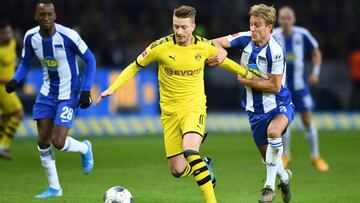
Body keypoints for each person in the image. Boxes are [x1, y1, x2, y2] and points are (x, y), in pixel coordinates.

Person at [96, 5, 257, 203]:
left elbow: (228, 64)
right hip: (170, 114)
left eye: (183, 27)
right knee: (178, 170)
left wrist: (252, 75)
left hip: (194, 108)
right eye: (175, 27)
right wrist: (114, 87)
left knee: (190, 150)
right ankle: (204, 167)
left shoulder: (205, 47)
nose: (179, 32)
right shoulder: (160, 47)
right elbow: (134, 66)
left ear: (193, 26)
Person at [5, 0, 96, 198]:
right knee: (43, 140)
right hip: (47, 92)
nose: (46, 18)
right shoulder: (31, 37)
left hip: (69, 93)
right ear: (35, 16)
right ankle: (55, 187)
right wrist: (15, 80)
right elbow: (25, 62)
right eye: (42, 14)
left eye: (49, 14)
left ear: (55, 16)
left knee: (58, 141)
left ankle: (84, 148)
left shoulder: (68, 35)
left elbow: (90, 59)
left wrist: (86, 90)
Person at [208, 4, 293, 203]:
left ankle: (268, 188)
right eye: (251, 24)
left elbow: (274, 86)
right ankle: (285, 177)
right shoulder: (245, 38)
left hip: (279, 104)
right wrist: (220, 52)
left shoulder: (275, 51)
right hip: (255, 109)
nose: (253, 29)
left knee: (274, 133)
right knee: (269, 158)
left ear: (269, 27)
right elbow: (212, 42)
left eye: (258, 25)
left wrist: (246, 80)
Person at [272, 6, 329, 171]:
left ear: (294, 19)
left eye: (289, 17)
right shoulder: (273, 36)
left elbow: (316, 52)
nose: (286, 21)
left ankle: (315, 157)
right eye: (283, 18)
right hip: (281, 87)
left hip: (300, 86)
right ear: (279, 20)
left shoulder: (302, 34)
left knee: (307, 119)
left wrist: (316, 72)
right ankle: (285, 156)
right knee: (283, 121)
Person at [0, 20, 25, 160]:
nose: (8, 36)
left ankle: (1, 145)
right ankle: (3, 146)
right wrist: (5, 79)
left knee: (6, 117)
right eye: (5, 33)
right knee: (19, 113)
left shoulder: (13, 43)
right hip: (1, 88)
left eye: (9, 32)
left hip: (9, 87)